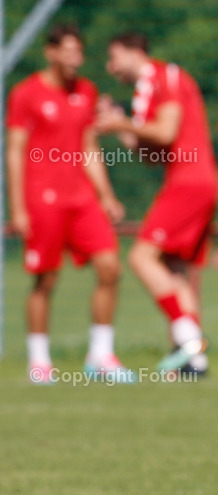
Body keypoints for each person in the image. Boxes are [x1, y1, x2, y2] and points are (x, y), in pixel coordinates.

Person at [5, 23, 134, 384]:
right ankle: (39, 361)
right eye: (67, 50)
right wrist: (17, 207)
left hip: (81, 198)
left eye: (78, 51)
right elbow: (15, 152)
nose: (73, 57)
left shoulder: (86, 92)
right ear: (50, 52)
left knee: (110, 266)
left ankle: (101, 355)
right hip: (42, 198)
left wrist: (106, 194)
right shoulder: (26, 93)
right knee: (46, 279)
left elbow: (88, 147)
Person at [95, 33, 218, 375]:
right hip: (191, 180)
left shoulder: (165, 76)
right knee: (174, 270)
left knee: (140, 256)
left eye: (114, 57)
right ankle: (195, 361)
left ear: (135, 53)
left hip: (190, 181)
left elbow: (165, 132)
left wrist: (120, 123)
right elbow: (152, 154)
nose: (110, 67)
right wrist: (121, 126)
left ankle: (191, 339)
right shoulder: (144, 93)